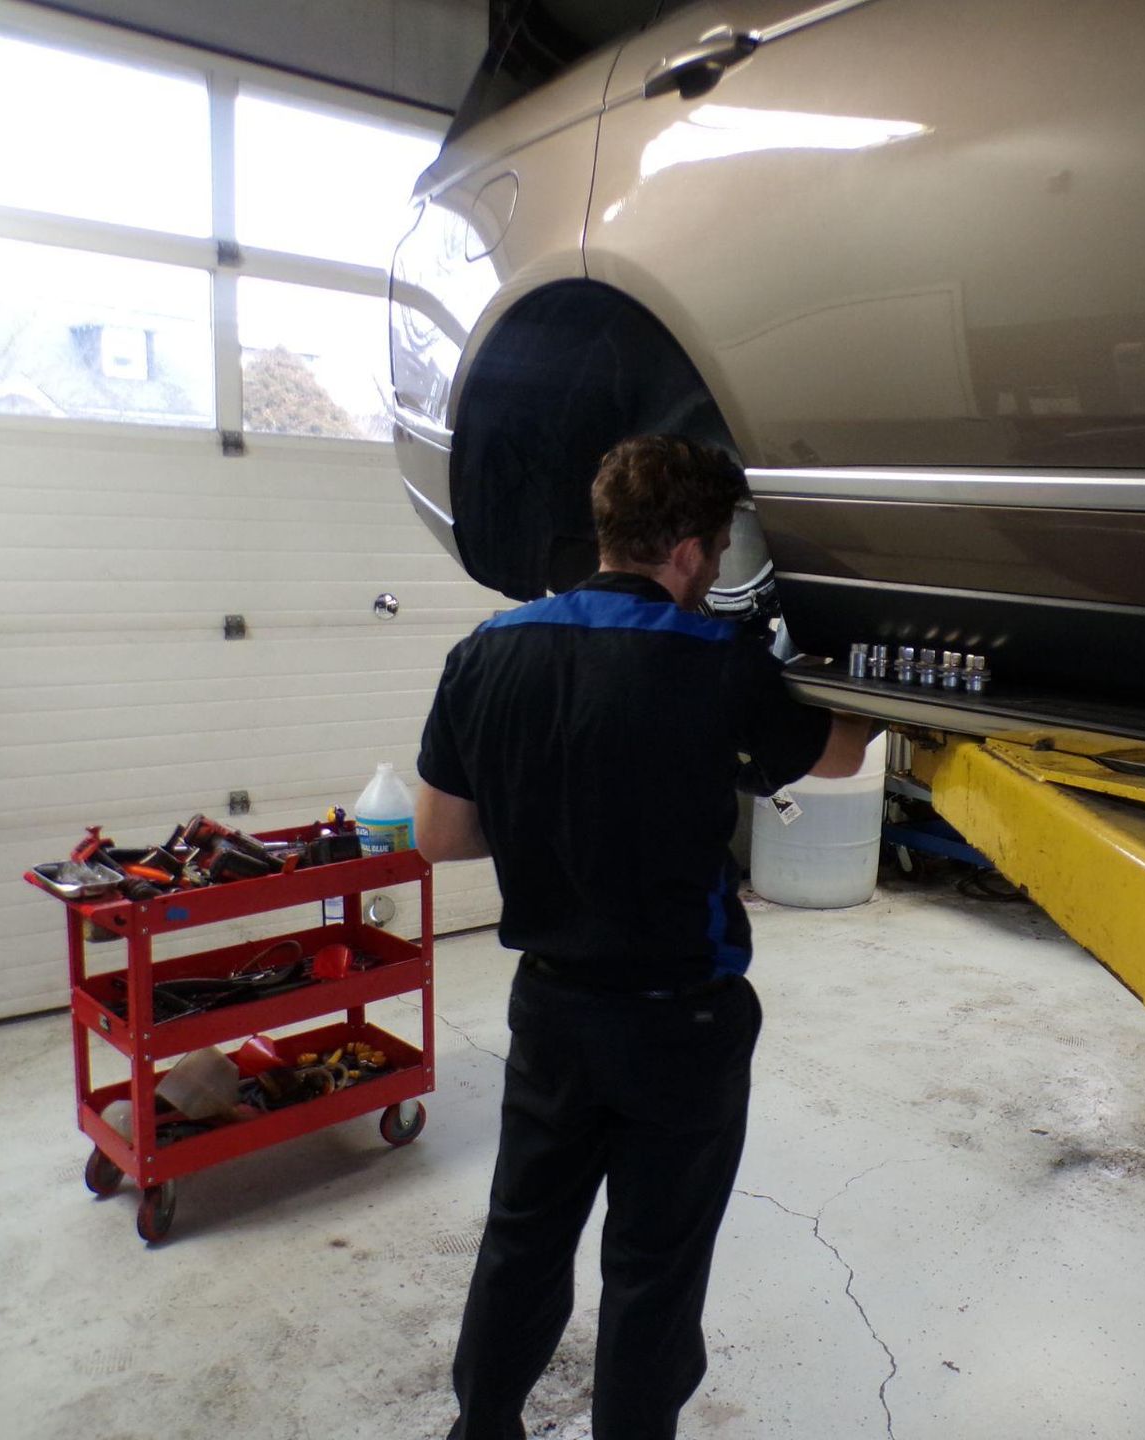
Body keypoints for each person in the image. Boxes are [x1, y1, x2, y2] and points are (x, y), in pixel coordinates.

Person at [414, 434, 878, 1440]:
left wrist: (554, 818)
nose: (711, 576)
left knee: (523, 1239)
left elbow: (439, 835)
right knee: (653, 1270)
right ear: (687, 551)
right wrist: (884, 681)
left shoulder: (486, 650)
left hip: (549, 1010)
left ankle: (481, 1427)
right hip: (680, 1022)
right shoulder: (717, 662)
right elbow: (837, 758)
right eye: (712, 556)